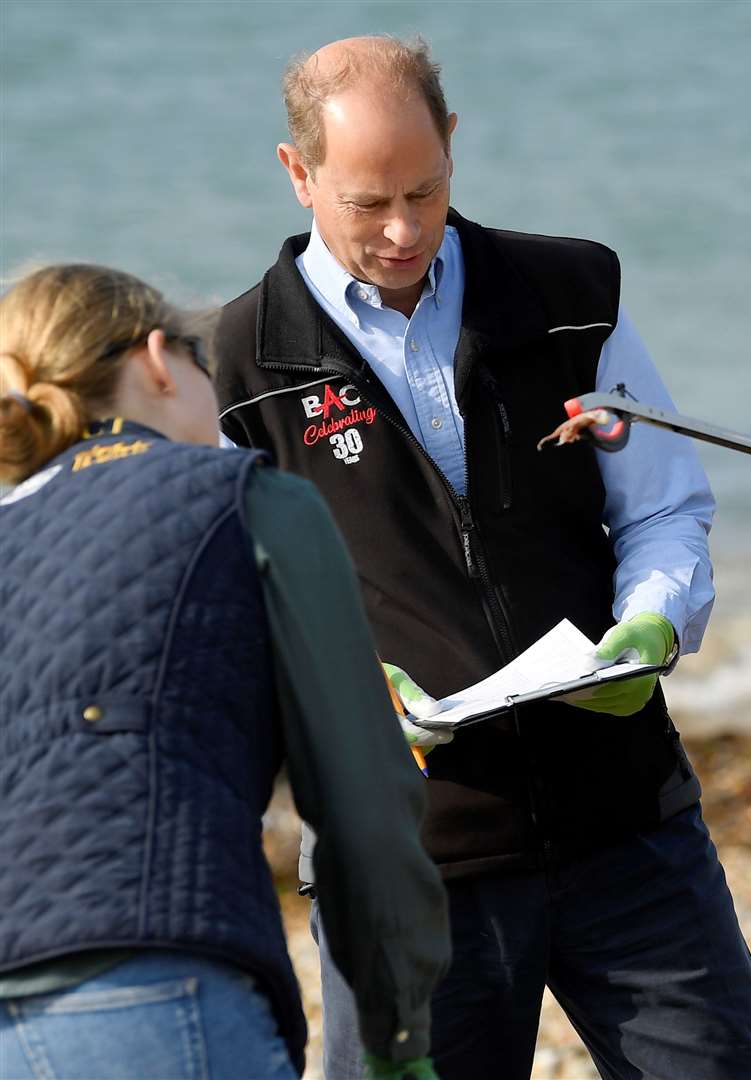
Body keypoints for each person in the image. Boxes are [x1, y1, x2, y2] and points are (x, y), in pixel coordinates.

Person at [210, 36, 751, 1079]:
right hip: (402, 865)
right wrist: (329, 694)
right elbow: (227, 612)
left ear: (455, 146)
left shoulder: (570, 293)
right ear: (296, 174)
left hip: (628, 828)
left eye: (424, 192)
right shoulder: (235, 368)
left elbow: (662, 509)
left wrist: (651, 623)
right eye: (364, 201)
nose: (400, 229)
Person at [0, 264, 450, 1079]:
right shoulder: (239, 495)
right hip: (150, 988)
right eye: (205, 363)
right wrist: (396, 1035)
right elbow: (364, 802)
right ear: (159, 360)